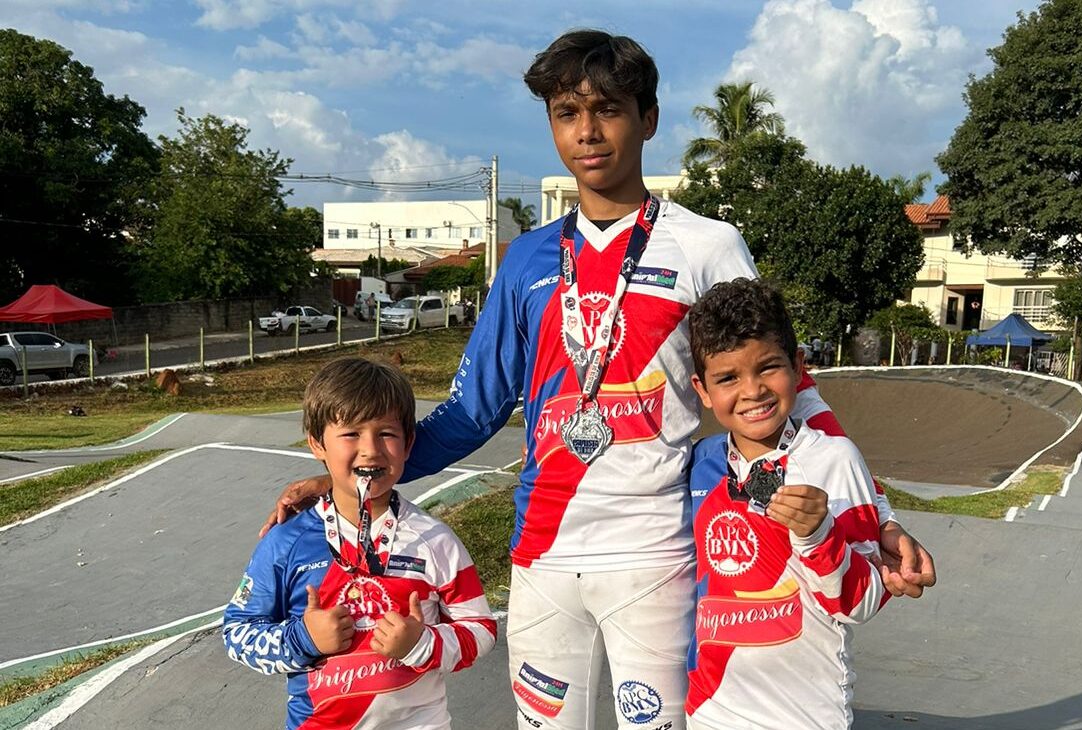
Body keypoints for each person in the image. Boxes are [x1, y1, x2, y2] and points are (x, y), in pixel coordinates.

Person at [263, 30, 935, 730]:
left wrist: (876, 520)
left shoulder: (707, 244)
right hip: (543, 558)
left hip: (657, 555)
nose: (587, 132)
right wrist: (359, 478)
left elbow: (789, 383)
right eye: (565, 112)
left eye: (607, 109)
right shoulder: (525, 260)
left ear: (647, 117)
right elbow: (471, 412)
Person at [225, 357, 496, 730]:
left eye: (386, 433)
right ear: (316, 443)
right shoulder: (286, 543)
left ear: (408, 443)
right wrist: (303, 638)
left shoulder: (435, 540)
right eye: (351, 433)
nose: (371, 449)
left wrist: (424, 645)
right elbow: (238, 633)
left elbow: (480, 628)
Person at [686, 278, 888, 729]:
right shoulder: (700, 465)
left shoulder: (834, 459)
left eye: (768, 368)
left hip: (805, 715)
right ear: (702, 390)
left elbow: (863, 603)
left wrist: (819, 536)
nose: (752, 390)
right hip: (710, 710)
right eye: (728, 378)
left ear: (798, 366)